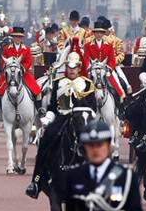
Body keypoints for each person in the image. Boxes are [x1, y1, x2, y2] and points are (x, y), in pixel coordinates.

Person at [26, 50, 97, 198]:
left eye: (74, 67)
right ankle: (36, 181)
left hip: (81, 119)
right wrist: (47, 118)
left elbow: (93, 107)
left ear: (79, 68)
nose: (71, 70)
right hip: (62, 117)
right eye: (69, 68)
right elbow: (52, 106)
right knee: (45, 142)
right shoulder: (58, 83)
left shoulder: (87, 84)